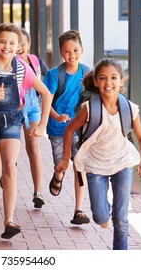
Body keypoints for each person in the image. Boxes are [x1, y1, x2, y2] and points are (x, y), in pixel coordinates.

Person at [55, 58, 141, 250]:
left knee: (121, 218)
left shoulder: (129, 108)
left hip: (122, 162)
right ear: (96, 82)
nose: (109, 83)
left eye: (114, 78)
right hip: (95, 165)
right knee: (100, 216)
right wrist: (65, 159)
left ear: (121, 81)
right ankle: (103, 214)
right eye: (103, 78)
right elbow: (68, 130)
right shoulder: (89, 108)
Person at [0, 23, 52, 239]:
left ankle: (9, 221)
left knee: (9, 169)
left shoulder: (22, 69)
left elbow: (46, 93)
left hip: (12, 122)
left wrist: (42, 125)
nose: (7, 46)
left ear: (19, 46)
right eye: (3, 41)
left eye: (12, 43)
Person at [43, 30, 91, 225]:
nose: (72, 55)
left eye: (75, 50)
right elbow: (45, 102)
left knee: (79, 167)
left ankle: (79, 210)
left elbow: (92, 100)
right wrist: (57, 116)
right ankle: (57, 175)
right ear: (61, 53)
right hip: (57, 129)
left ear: (82, 50)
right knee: (61, 165)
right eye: (67, 51)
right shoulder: (55, 75)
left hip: (79, 129)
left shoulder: (88, 74)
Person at [16, 28, 49, 208]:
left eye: (23, 43)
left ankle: (38, 191)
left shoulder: (36, 61)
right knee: (10, 149)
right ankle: (6, 175)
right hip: (12, 109)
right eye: (16, 43)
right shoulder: (8, 62)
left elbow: (50, 81)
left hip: (33, 109)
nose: (20, 47)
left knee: (33, 146)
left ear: (29, 45)